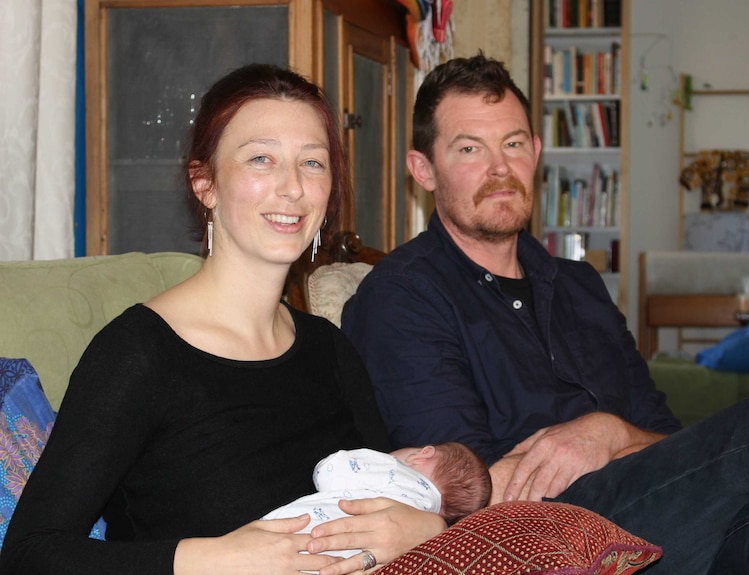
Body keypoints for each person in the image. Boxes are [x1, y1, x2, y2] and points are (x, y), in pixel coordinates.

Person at [341, 53, 749, 573]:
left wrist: (608, 434)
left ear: (536, 152)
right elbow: (472, 493)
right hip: (541, 535)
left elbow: (665, 439)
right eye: (470, 148)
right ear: (423, 170)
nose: (500, 168)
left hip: (644, 520)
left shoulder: (579, 286)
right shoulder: (403, 297)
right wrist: (601, 450)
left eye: (514, 144)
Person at [0, 63, 447, 575]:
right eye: (261, 159)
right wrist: (215, 557)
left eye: (313, 163)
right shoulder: (137, 355)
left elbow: (387, 501)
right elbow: (29, 554)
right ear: (205, 182)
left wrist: (428, 529)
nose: (293, 188)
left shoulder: (333, 351)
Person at [262, 443, 491, 558]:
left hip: (297, 535)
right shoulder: (419, 530)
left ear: (424, 453)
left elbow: (328, 472)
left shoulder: (393, 470)